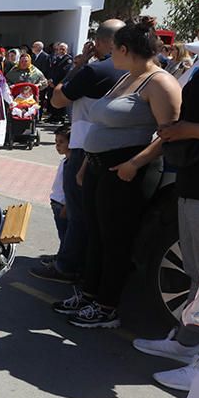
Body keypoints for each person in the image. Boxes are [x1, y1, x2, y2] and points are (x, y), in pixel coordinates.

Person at [63, 18, 181, 328]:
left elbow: (168, 135)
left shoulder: (160, 83)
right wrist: (88, 163)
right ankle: (89, 293)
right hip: (100, 168)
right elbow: (103, 124)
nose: (109, 54)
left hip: (129, 171)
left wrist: (134, 164)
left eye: (113, 49)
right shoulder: (126, 77)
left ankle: (107, 306)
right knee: (96, 235)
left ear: (125, 49)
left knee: (116, 240)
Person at [35, 20, 127, 286]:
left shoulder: (94, 70)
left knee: (75, 211)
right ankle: (76, 259)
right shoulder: (139, 71)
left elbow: (57, 98)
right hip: (122, 149)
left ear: (99, 42)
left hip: (85, 146)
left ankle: (67, 265)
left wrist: (78, 65)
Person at [135, 67, 199, 390]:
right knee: (196, 274)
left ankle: (198, 366)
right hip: (192, 182)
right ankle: (187, 344)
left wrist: (190, 129)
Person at [48, 126, 71, 261]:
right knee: (62, 233)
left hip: (62, 205)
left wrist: (67, 206)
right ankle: (62, 255)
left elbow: (70, 188)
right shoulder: (65, 161)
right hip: (56, 202)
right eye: (56, 142)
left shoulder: (71, 163)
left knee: (65, 234)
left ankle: (63, 259)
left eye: (61, 142)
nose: (57, 145)